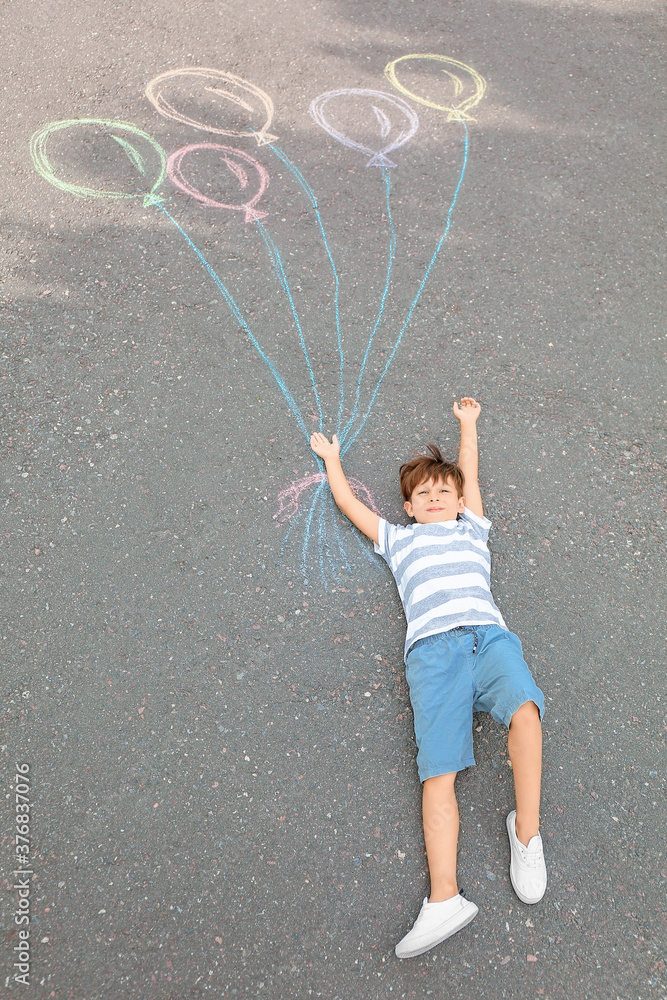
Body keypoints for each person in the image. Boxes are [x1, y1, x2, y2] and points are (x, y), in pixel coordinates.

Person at [310, 397, 546, 960]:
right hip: (432, 656)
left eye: (445, 491)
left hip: (488, 638)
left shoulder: (473, 529)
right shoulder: (398, 540)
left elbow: (470, 471)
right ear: (410, 509)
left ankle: (527, 834)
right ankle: (445, 898)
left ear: (461, 501)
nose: (435, 497)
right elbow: (346, 504)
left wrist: (468, 426)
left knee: (526, 713)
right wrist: (333, 461)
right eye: (423, 495)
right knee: (438, 771)